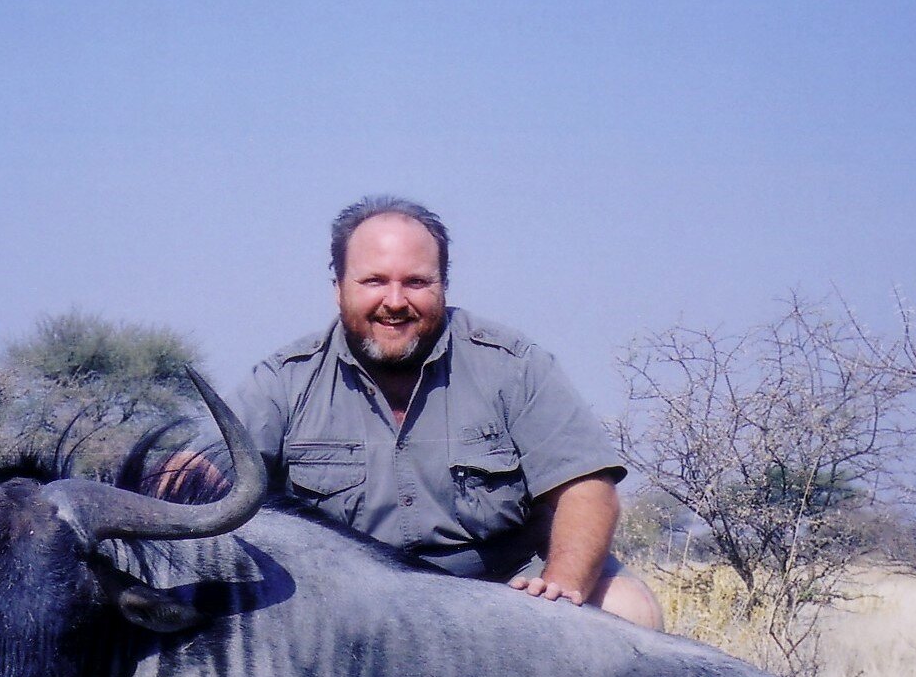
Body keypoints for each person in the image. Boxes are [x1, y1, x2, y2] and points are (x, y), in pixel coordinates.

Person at [229, 195, 663, 629]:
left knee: (627, 609)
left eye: (416, 282)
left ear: (443, 286)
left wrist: (560, 590)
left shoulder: (513, 365)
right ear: (339, 288)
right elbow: (198, 472)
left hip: (502, 596)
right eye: (374, 281)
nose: (394, 301)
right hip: (343, 604)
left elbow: (587, 490)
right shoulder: (283, 380)